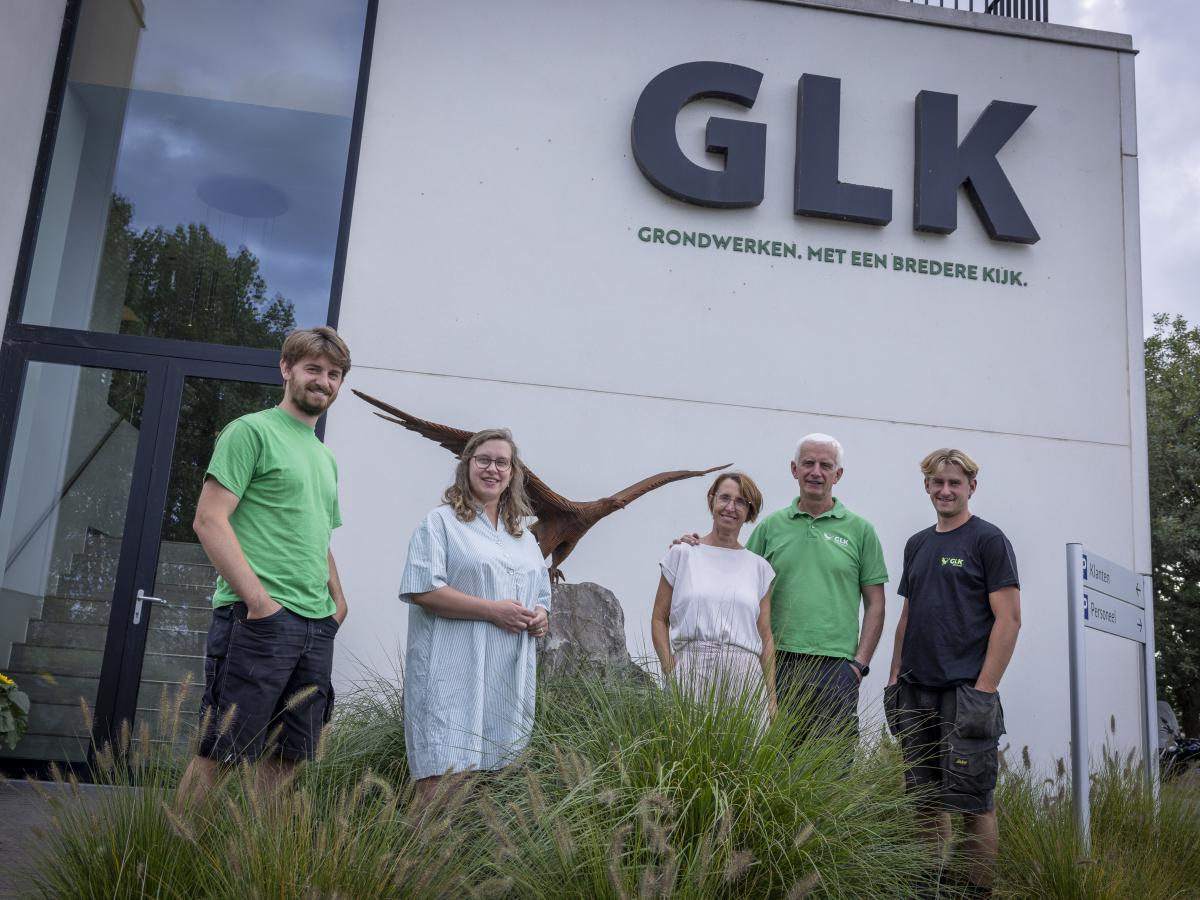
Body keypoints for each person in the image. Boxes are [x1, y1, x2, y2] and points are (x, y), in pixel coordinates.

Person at [177, 326, 351, 806]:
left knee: (290, 756)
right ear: (286, 369)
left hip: (315, 625)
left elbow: (320, 536)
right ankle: (176, 858)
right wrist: (259, 602)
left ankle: (252, 867)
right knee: (222, 750)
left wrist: (338, 603)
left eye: (334, 374)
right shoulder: (250, 431)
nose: (324, 381)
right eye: (314, 369)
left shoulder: (324, 458)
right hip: (259, 621)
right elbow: (209, 520)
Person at [886, 448, 1020, 899]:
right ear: (927, 486)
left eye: (955, 483)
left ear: (970, 488)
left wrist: (984, 690)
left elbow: (1010, 620)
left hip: (965, 692)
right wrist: (893, 678)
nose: (946, 490)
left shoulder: (988, 540)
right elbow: (909, 616)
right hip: (914, 690)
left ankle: (976, 891)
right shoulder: (917, 544)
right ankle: (930, 888)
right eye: (938, 483)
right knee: (924, 801)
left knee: (973, 803)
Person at [399, 428, 551, 807]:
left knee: (494, 790)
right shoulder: (441, 524)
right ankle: (417, 866)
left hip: (505, 676)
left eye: (502, 462)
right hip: (452, 673)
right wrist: (491, 610)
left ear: (513, 472)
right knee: (441, 785)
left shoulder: (523, 537)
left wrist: (541, 616)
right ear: (466, 466)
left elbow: (542, 593)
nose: (492, 469)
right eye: (483, 460)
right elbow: (422, 589)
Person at [739, 433, 887, 742]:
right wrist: (696, 546)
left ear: (838, 474)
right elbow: (739, 584)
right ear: (794, 469)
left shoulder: (861, 531)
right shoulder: (770, 528)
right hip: (776, 662)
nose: (816, 472)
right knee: (774, 761)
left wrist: (858, 666)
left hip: (836, 667)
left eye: (825, 465)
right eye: (808, 463)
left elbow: (876, 603)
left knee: (833, 768)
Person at [652, 472, 777, 724]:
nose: (731, 507)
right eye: (725, 498)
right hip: (692, 668)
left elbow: (765, 637)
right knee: (687, 755)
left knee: (745, 759)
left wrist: (771, 699)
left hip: (745, 676)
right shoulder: (683, 555)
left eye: (741, 502)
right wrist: (670, 670)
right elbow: (658, 618)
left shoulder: (759, 568)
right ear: (712, 501)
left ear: (749, 511)